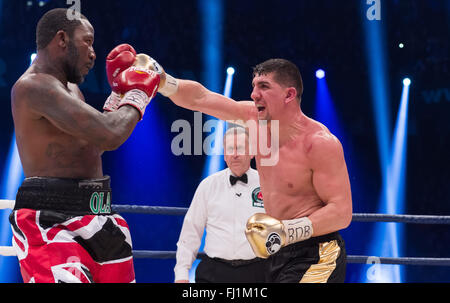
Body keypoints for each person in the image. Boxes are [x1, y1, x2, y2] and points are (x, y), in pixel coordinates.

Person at [146, 57, 352, 282]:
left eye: (264, 87)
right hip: (275, 252)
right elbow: (201, 98)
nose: (254, 94)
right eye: (254, 86)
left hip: (315, 253)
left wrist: (287, 230)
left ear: (289, 95)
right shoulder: (253, 119)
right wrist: (164, 81)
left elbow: (341, 213)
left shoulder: (319, 143)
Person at [9, 8, 160, 283]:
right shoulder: (33, 86)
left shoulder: (71, 89)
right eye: (87, 41)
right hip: (52, 221)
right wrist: (138, 94)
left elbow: (94, 145)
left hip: (99, 213)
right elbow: (111, 134)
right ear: (62, 39)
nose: (93, 53)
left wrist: (118, 96)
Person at [174, 126, 267, 283]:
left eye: (240, 148)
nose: (235, 154)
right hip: (214, 272)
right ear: (224, 155)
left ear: (251, 152)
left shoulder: (267, 185)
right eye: (230, 149)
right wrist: (182, 274)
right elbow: (191, 231)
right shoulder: (208, 185)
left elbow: (281, 231)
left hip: (257, 271)